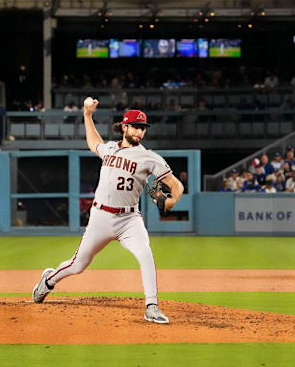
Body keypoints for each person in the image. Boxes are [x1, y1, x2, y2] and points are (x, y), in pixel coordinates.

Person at [32, 102, 184, 324]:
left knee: (145, 254)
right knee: (78, 265)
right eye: (135, 126)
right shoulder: (110, 149)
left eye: (143, 128)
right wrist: (87, 115)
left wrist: (171, 202)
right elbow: (94, 143)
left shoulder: (149, 157)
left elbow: (176, 185)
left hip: (129, 219)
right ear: (124, 127)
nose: (140, 131)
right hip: (101, 217)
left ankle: (151, 306)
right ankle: (48, 281)